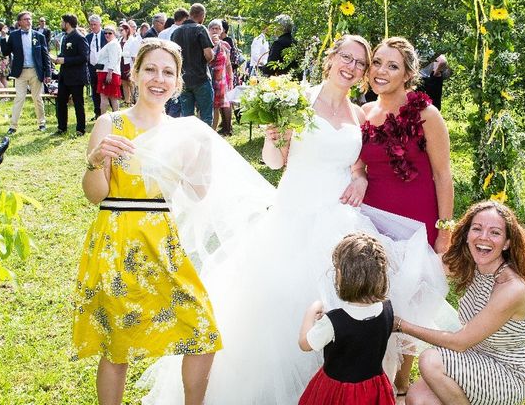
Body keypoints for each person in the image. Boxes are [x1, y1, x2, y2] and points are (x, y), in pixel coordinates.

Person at [138, 34, 454, 404]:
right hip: (293, 216)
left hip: (341, 221)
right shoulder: (298, 101)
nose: (351, 67)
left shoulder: (358, 113)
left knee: (351, 306)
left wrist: (360, 177)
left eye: (359, 63)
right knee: (277, 308)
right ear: (331, 58)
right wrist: (273, 139)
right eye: (346, 58)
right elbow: (274, 161)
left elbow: (358, 163)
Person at [72, 38, 222, 405]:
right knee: (117, 346)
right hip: (118, 237)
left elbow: (199, 193)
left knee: (203, 331)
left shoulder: (183, 131)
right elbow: (95, 195)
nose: (159, 78)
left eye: (168, 72)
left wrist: (202, 151)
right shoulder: (112, 123)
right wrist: (94, 161)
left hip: (164, 241)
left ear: (178, 82)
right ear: (135, 74)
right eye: (150, 70)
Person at [360, 37, 454, 395]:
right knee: (377, 296)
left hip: (416, 221)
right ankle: (374, 375)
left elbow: (443, 175)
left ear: (409, 74)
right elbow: (358, 166)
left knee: (410, 302)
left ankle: (399, 386)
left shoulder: (427, 115)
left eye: (392, 66)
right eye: (377, 63)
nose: (381, 72)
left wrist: (444, 229)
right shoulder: (365, 112)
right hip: (372, 221)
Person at [400, 200, 525, 405]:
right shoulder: (473, 263)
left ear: (507, 243)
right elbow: (421, 266)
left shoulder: (511, 288)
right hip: (476, 357)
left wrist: (401, 325)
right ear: (467, 235)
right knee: (417, 398)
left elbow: (459, 342)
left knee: (430, 360)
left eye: (495, 232)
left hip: (509, 373)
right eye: (477, 229)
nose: (483, 237)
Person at [298, 232, 396, 405]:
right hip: (373, 388)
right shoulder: (387, 308)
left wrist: (312, 310)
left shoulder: (333, 322)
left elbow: (305, 344)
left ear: (340, 275)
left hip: (337, 393)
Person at [0, 11, 51, 134]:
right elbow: (5, 51)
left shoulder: (38, 36)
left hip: (36, 71)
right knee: (19, 98)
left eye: (30, 19)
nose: (28, 21)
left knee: (37, 98)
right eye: (25, 19)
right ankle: (13, 126)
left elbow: (45, 56)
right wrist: (3, 37)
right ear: (19, 22)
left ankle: (42, 123)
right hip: (21, 72)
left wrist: (48, 74)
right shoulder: (14, 36)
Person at [171, 3, 215, 125]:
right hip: (201, 78)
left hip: (183, 80)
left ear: (190, 14)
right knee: (206, 117)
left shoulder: (176, 32)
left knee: (186, 118)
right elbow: (209, 55)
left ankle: (189, 143)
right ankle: (205, 142)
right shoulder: (201, 29)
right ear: (202, 16)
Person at [52, 14, 89, 136]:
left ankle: (80, 129)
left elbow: (84, 57)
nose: (61, 24)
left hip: (76, 77)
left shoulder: (79, 37)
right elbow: (65, 54)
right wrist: (57, 59)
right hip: (64, 76)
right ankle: (61, 127)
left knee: (78, 103)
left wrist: (65, 60)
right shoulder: (66, 37)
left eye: (62, 22)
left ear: (67, 23)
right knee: (61, 102)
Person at [207, 19, 233, 135]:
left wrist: (230, 79)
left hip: (221, 80)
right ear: (208, 30)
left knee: (219, 105)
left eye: (217, 28)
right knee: (208, 105)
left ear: (221, 31)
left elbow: (228, 64)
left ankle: (219, 130)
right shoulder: (205, 44)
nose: (215, 31)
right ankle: (208, 130)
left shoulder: (225, 45)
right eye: (212, 28)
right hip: (208, 78)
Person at [96, 25, 122, 114]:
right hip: (106, 72)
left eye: (109, 33)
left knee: (105, 98)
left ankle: (103, 118)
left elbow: (113, 59)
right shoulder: (111, 44)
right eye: (105, 33)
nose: (107, 35)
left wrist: (110, 73)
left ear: (114, 34)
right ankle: (115, 118)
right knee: (112, 98)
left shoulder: (113, 44)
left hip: (108, 73)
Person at [86, 14, 108, 121]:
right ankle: (97, 112)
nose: (93, 27)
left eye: (95, 24)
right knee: (94, 90)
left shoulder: (106, 35)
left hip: (104, 67)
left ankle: (109, 113)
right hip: (92, 67)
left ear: (100, 24)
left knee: (106, 90)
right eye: (91, 25)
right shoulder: (88, 37)